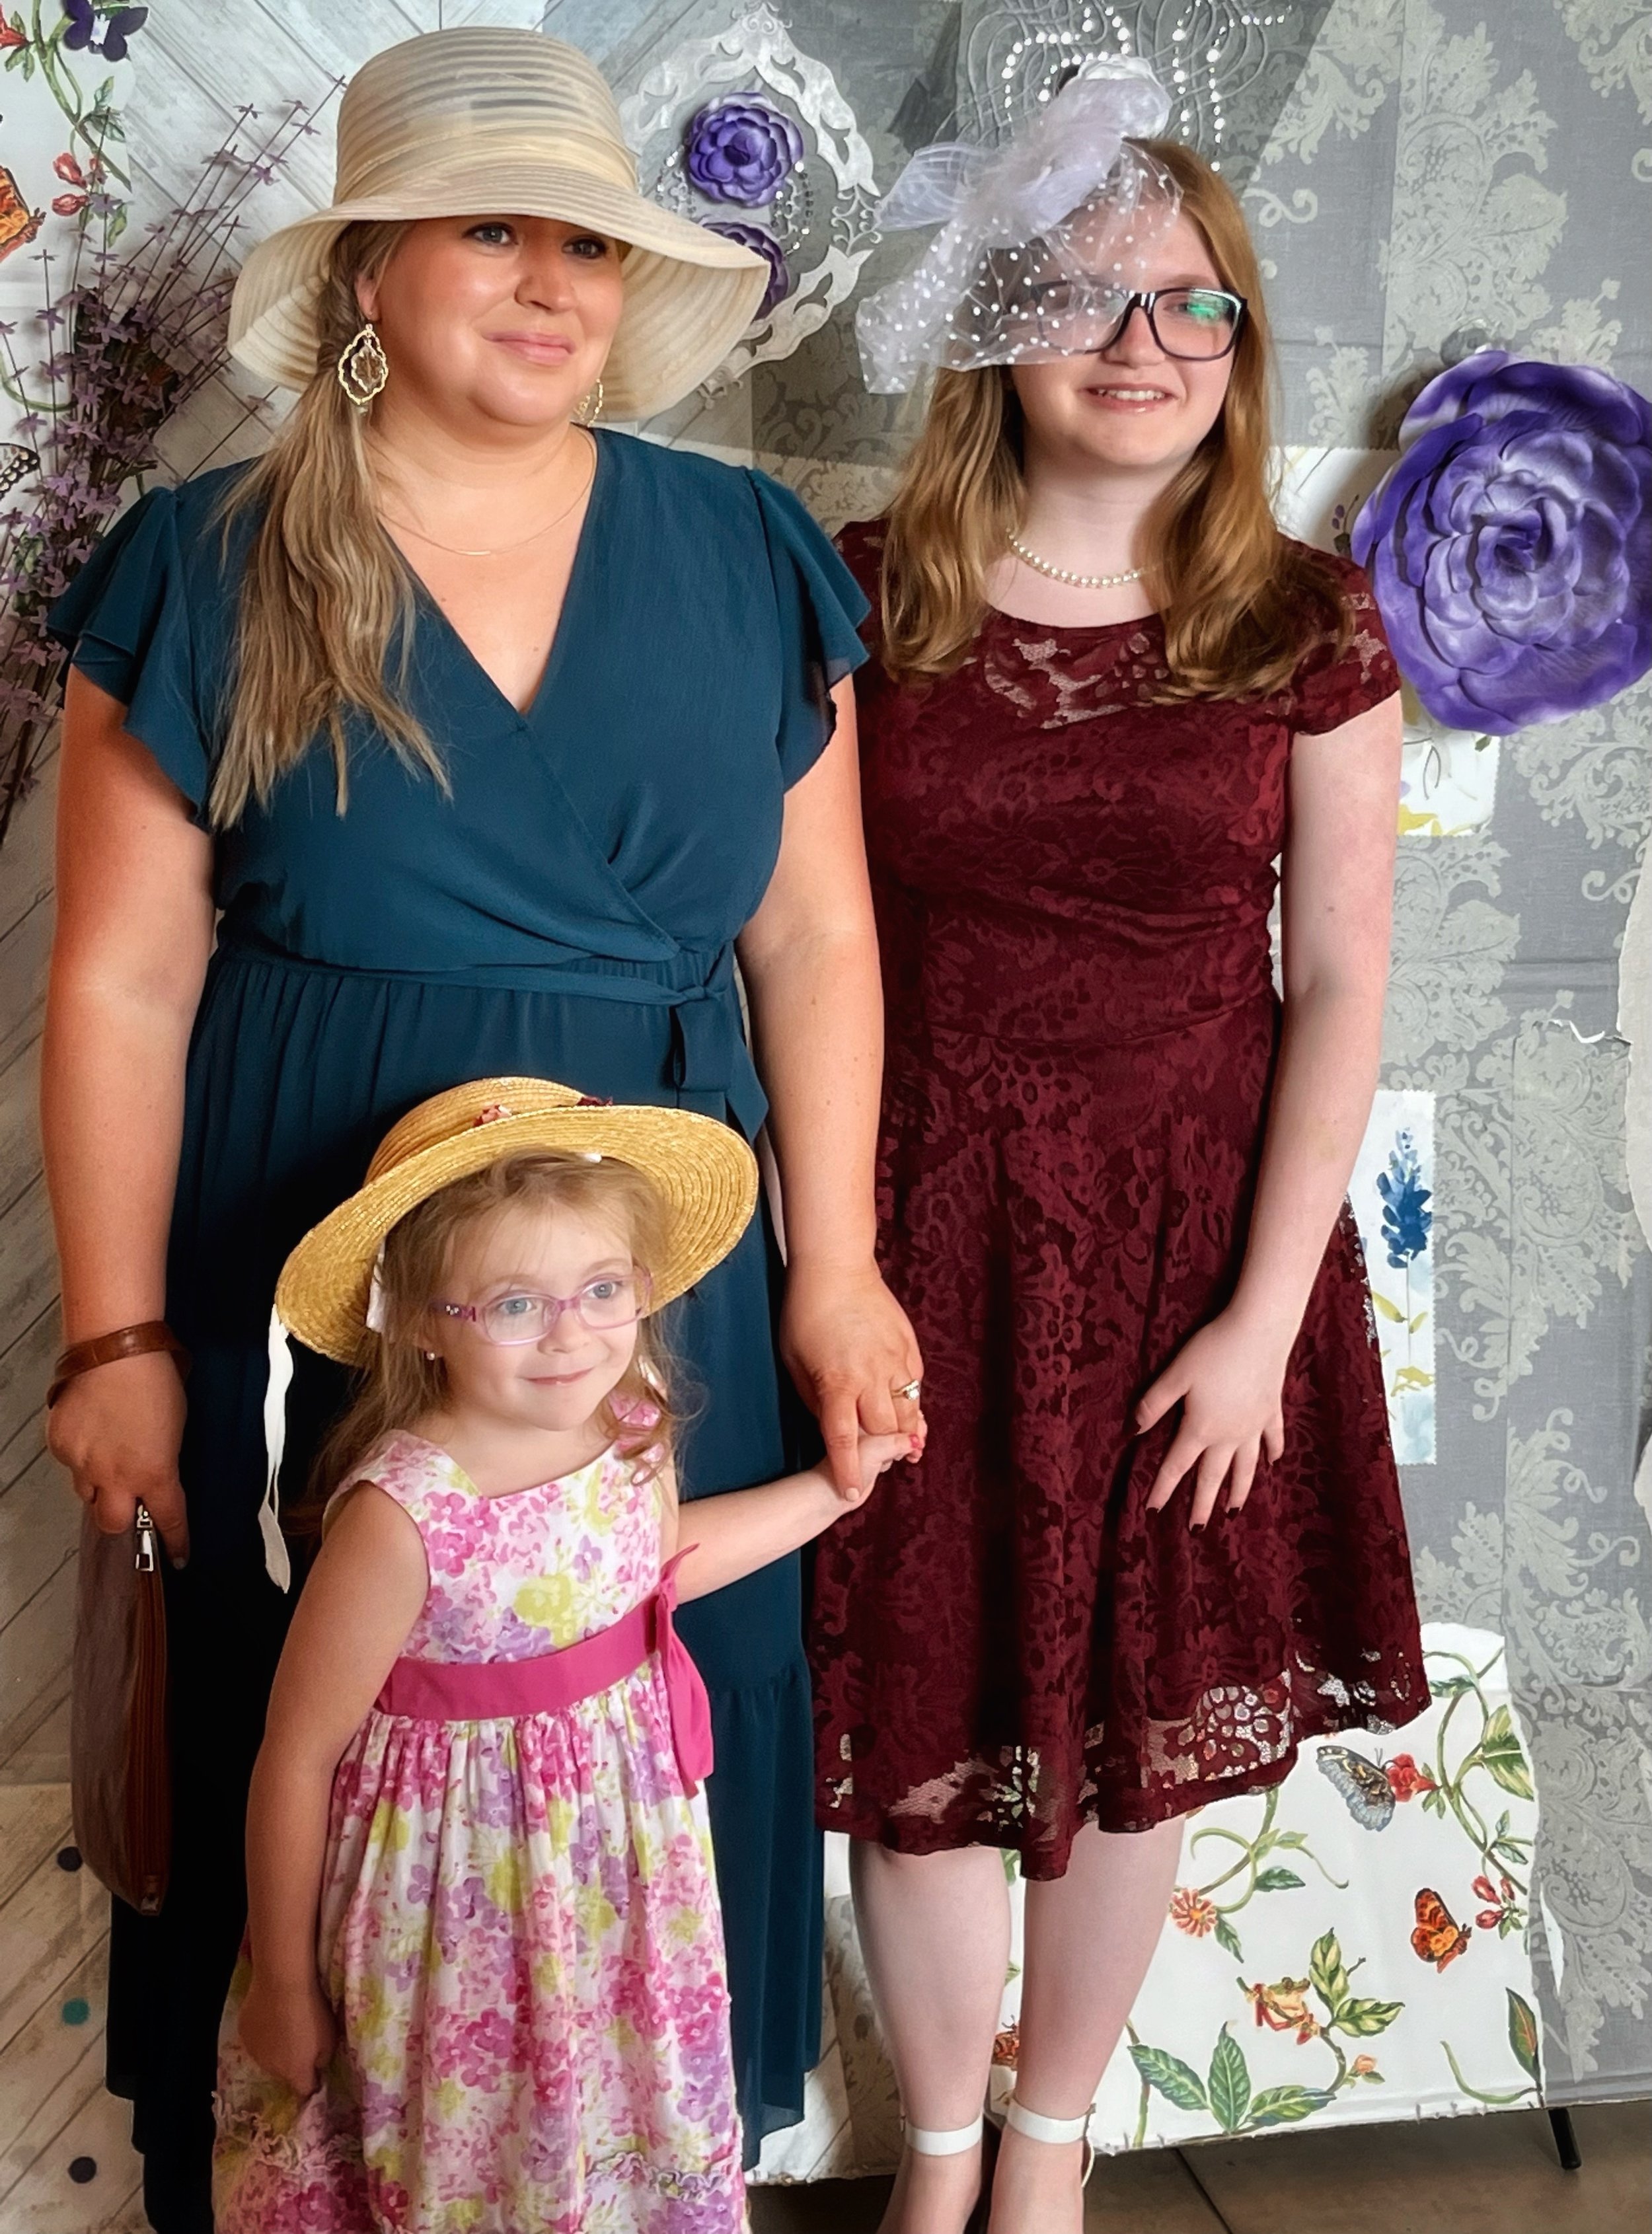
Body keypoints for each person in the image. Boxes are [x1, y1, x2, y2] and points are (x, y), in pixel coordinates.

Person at [42, 28, 919, 2230]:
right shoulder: (206, 558)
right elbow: (122, 982)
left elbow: (819, 938)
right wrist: (117, 1333)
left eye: (590, 248)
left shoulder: (745, 551)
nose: (551, 285)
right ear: (365, 270)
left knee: (643, 1694)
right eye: (492, 232)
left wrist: (836, 1263)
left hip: (656, 1267)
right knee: (317, 1722)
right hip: (307, 1252)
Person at [809, 66, 1429, 2234]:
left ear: (1243, 348)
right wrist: (825, 1256)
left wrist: (1262, 1321)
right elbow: (803, 949)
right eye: (1087, 296)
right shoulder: (863, 598)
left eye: (1196, 306)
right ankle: (937, 2152)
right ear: (995, 326)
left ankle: (1052, 2150)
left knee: (1142, 1696)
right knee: (918, 1699)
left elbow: (1336, 981)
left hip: (1196, 1242)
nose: (1147, 344)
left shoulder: (1309, 621)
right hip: (918, 1230)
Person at [211, 1078, 920, 2233]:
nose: (572, 1334)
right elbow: (295, 1756)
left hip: (616, 1868)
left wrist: (832, 1493)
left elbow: (651, 1565)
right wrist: (286, 1983)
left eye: (602, 1289)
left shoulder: (634, 1423)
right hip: (454, 1897)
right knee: (468, 2147)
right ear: (424, 1318)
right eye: (514, 1304)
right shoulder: (401, 1514)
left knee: (606, 2113)